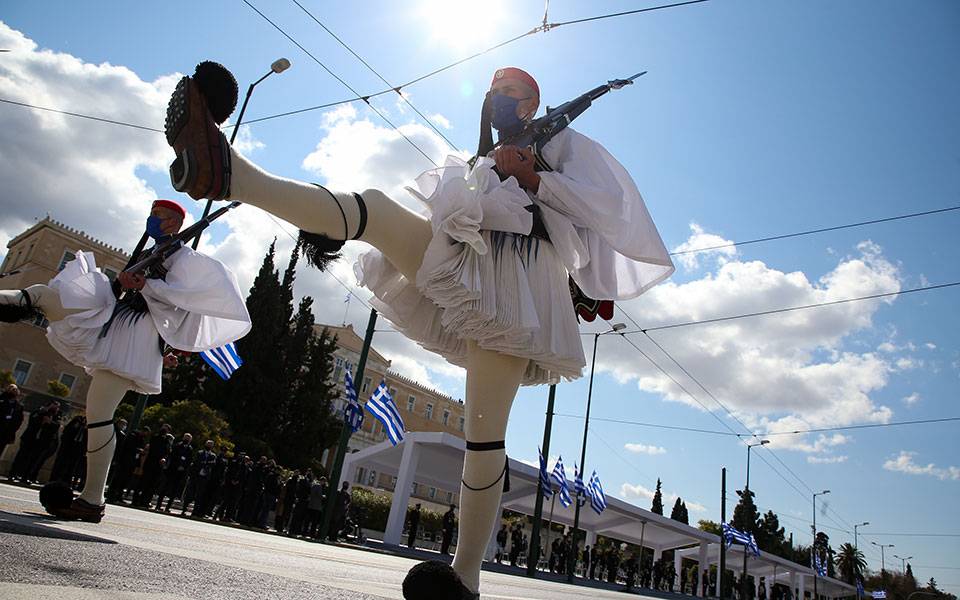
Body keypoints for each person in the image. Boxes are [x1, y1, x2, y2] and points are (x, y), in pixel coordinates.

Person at [165, 61, 672, 599]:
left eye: (510, 91)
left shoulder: (562, 139)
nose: (498, 98)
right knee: (376, 211)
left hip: (518, 284)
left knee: (483, 435)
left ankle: (466, 578)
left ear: (533, 102)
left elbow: (610, 206)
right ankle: (231, 174)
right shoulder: (483, 154)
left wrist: (534, 176)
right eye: (493, 90)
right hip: (461, 253)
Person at [0, 199, 250, 522]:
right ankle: (18, 300)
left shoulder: (184, 257)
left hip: (136, 334)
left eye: (158, 216)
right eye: (152, 214)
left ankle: (92, 499)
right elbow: (129, 291)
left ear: (174, 223)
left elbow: (190, 300)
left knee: (99, 414)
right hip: (117, 318)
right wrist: (128, 283)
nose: (152, 220)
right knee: (48, 298)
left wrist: (150, 287)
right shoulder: (152, 252)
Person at [10, 400, 61, 482]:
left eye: (56, 408)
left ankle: (26, 477)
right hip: (30, 438)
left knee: (34, 461)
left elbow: (57, 426)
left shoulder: (56, 416)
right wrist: (42, 418)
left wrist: (50, 422)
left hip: (42, 441)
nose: (54, 409)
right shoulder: (39, 411)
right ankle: (13, 473)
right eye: (53, 407)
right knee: (21, 457)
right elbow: (32, 420)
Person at [156, 432, 193, 512]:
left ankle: (168, 507)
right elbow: (172, 456)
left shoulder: (190, 449)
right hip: (172, 470)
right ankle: (158, 505)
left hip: (180, 473)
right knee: (165, 488)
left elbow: (189, 460)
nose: (186, 439)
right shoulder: (177, 446)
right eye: (185, 438)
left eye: (188, 438)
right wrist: (177, 466)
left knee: (174, 491)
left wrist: (183, 467)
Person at [50, 414, 87, 487]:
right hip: (68, 446)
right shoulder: (77, 420)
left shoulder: (89, 426)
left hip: (78, 448)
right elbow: (66, 431)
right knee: (60, 464)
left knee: (71, 467)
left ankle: (65, 483)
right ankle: (53, 480)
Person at [181, 439, 216, 517]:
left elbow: (212, 464)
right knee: (190, 493)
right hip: (196, 476)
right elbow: (197, 462)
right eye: (207, 444)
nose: (208, 446)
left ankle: (195, 512)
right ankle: (184, 509)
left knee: (200, 496)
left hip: (204, 477)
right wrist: (205, 464)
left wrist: (204, 463)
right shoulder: (199, 453)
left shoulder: (213, 456)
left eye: (210, 445)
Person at [0, 384, 25, 462]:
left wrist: (13, 429)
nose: (14, 391)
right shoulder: (2, 401)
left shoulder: (19, 406)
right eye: (12, 389)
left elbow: (19, 420)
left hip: (6, 433)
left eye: (15, 390)